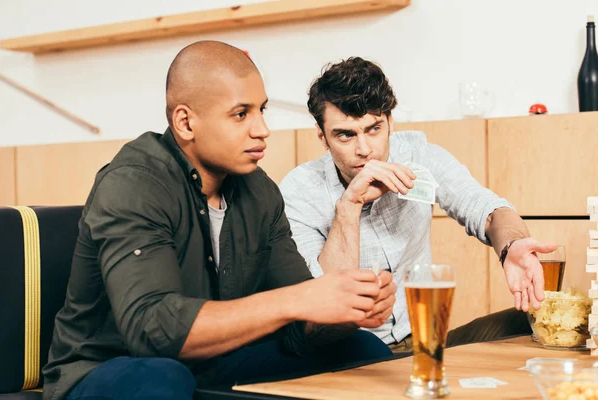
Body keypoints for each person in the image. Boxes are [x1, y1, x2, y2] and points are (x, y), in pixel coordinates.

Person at [42, 42, 396, 400]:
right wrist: (298, 299)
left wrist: (350, 308)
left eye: (262, 110)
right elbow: (152, 330)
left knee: (362, 351)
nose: (262, 130)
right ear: (185, 122)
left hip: (214, 362)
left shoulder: (260, 192)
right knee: (162, 381)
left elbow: (298, 329)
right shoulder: (133, 183)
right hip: (107, 368)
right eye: (241, 114)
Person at [279, 57, 557, 353]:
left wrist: (511, 246)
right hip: (351, 350)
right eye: (346, 135)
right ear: (322, 137)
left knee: (529, 321)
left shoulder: (417, 155)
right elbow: (325, 310)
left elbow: (485, 209)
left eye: (374, 128)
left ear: (390, 122)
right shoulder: (299, 192)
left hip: (425, 337)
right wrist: (349, 205)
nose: (364, 150)